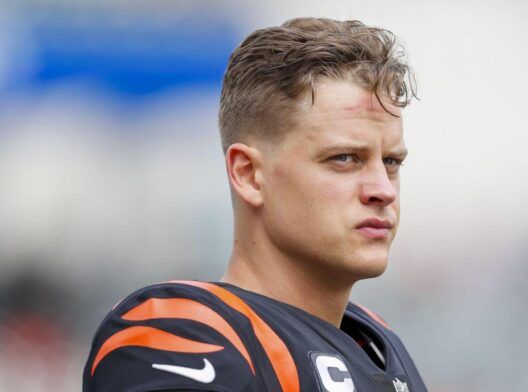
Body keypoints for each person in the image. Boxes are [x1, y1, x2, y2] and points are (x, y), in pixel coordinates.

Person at [83, 17, 426, 392]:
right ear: (248, 174)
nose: (382, 189)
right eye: (344, 158)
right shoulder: (181, 328)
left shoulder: (380, 342)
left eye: (391, 162)